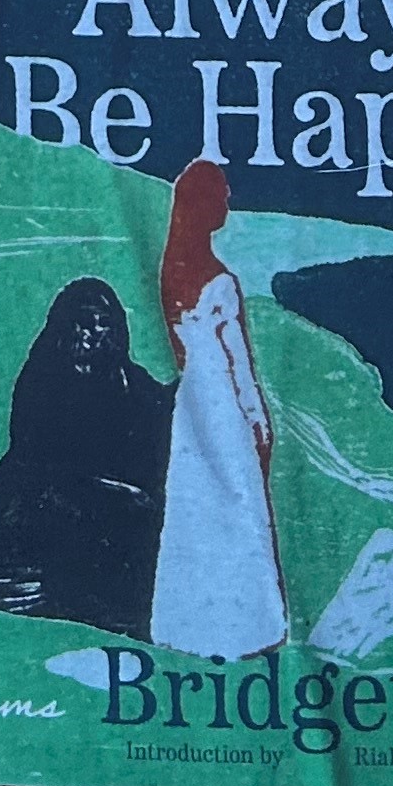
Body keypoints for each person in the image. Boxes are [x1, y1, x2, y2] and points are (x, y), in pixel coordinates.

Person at [147, 159, 285, 658]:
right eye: (221, 195)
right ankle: (249, 628)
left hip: (191, 404)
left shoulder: (170, 268)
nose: (227, 203)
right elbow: (237, 359)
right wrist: (257, 419)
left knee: (195, 511)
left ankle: (188, 627)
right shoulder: (217, 278)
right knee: (239, 506)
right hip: (224, 402)